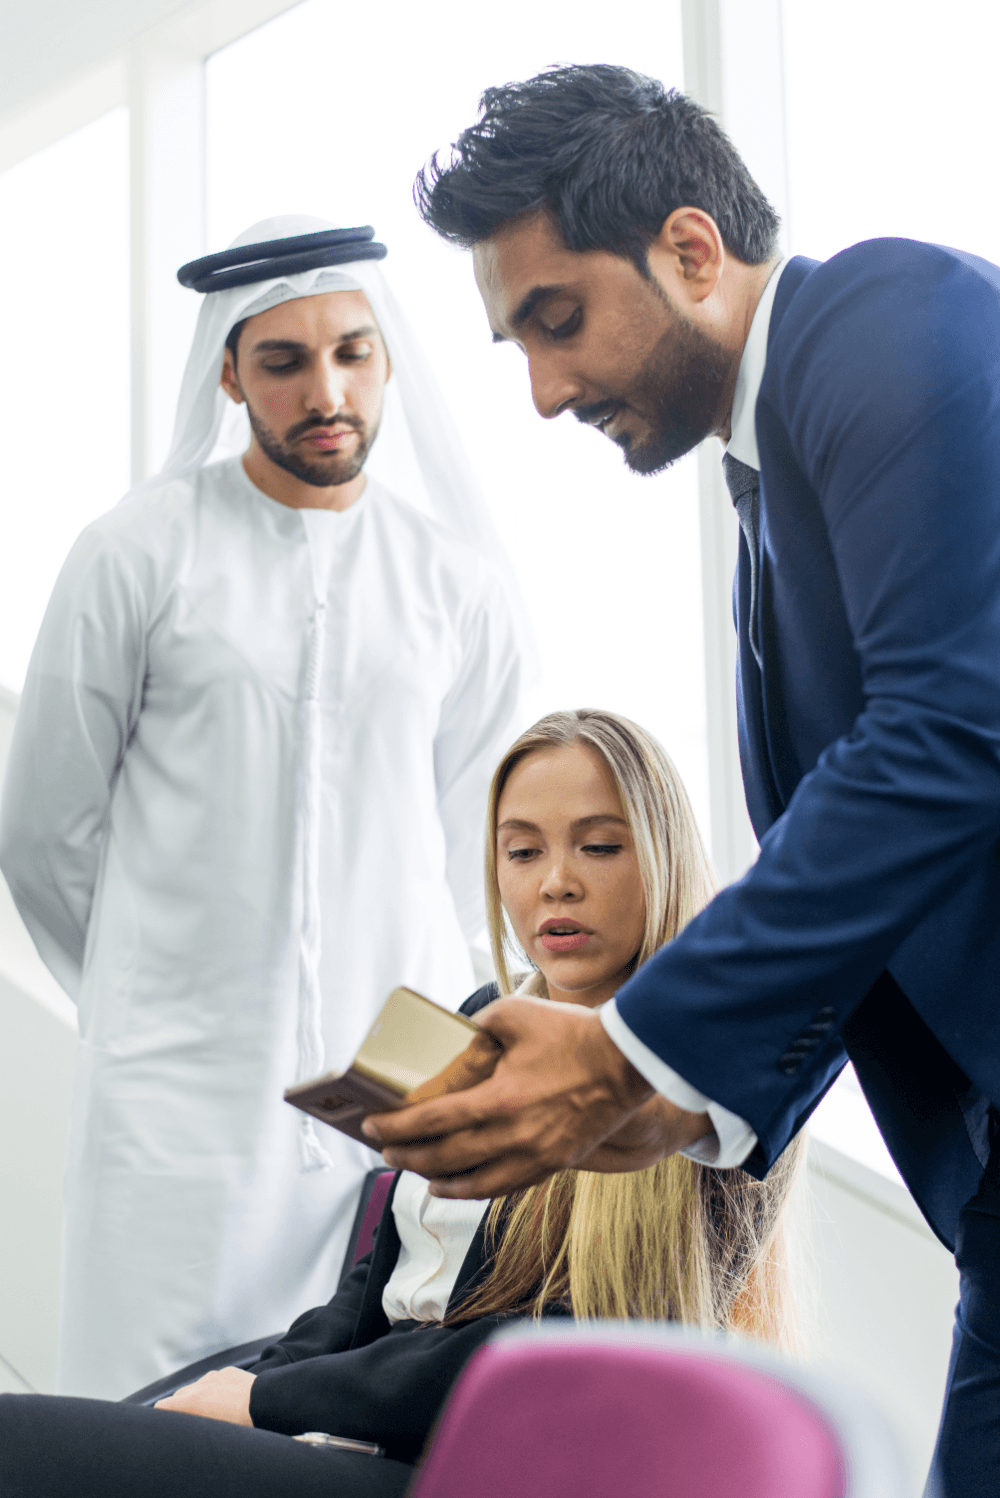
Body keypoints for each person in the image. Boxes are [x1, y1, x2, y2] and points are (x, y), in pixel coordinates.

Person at [365, 66, 1000, 1495]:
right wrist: (669, 1102)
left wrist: (627, 1044)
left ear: (693, 251)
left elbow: (953, 732)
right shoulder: (768, 506)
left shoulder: (890, 319)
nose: (537, 393)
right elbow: (868, 871)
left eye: (557, 318)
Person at [0, 708, 802, 1498]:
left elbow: (546, 1354)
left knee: (27, 1445)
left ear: (660, 857)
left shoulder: (701, 1090)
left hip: (482, 1465)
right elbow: (375, 1291)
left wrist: (264, 1400)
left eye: (598, 846)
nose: (556, 880)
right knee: (131, 1420)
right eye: (522, 851)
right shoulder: (476, 1014)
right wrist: (245, 1386)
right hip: (372, 1429)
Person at [0, 215, 525, 1399]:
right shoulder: (135, 553)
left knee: (326, 1423)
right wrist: (157, 998)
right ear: (229, 373)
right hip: (172, 1115)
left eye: (351, 351)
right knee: (135, 1437)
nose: (324, 388)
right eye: (283, 361)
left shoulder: (457, 585)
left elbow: (468, 855)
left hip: (379, 1118)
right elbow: (43, 834)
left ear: (388, 360)